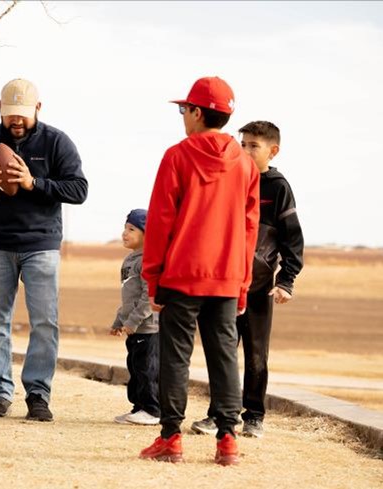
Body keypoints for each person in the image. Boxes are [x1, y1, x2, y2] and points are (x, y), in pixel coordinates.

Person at [0, 78, 88, 422]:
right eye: (11, 114)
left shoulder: (57, 142)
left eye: (23, 115)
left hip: (41, 245)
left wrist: (33, 183)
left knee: (44, 322)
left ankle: (38, 394)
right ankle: (0, 391)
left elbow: (79, 189)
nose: (17, 121)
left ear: (38, 109)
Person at [138, 76, 259, 466]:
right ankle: (227, 440)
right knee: (224, 356)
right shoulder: (245, 163)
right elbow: (249, 229)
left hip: (181, 275)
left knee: (175, 357)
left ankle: (171, 437)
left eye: (183, 109)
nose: (182, 116)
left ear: (195, 111)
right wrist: (242, 283)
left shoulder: (177, 155)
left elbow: (160, 221)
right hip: (225, 277)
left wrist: (152, 278)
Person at [191, 121, 304, 439]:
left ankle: (254, 416)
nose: (245, 150)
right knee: (221, 351)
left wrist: (286, 280)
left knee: (256, 355)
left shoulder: (278, 187)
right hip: (224, 284)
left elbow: (292, 239)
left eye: (254, 145)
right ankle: (218, 414)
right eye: (242, 143)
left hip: (259, 289)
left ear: (273, 150)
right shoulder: (230, 179)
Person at [110, 208, 160, 426]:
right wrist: (119, 321)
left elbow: (148, 296)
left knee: (146, 369)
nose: (124, 233)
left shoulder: (148, 260)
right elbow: (128, 297)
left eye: (131, 229)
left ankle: (152, 409)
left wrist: (132, 322)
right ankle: (139, 407)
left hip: (148, 328)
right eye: (125, 228)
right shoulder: (130, 260)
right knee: (134, 367)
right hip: (134, 328)